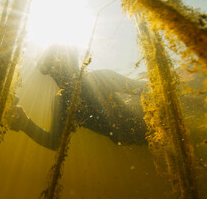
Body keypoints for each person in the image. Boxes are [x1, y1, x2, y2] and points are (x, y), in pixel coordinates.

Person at [8, 44, 148, 150]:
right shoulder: (62, 102)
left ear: (75, 62)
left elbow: (142, 88)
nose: (59, 73)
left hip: (144, 129)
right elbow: (54, 142)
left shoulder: (101, 79)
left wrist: (25, 124)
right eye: (53, 70)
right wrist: (24, 123)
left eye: (61, 66)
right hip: (134, 136)